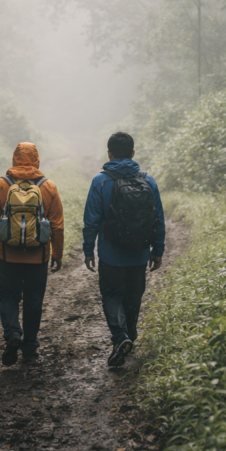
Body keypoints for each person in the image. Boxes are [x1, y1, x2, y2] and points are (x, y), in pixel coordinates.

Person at [82, 131, 166, 367]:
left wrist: (89, 250)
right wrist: (157, 250)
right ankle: (130, 336)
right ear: (132, 153)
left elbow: (91, 221)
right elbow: (158, 219)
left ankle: (120, 337)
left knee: (111, 295)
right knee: (133, 297)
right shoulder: (148, 180)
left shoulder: (100, 181)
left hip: (111, 255)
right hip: (139, 254)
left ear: (109, 153)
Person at [0, 143, 64, 365]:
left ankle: (12, 334)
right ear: (37, 160)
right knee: (34, 299)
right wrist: (57, 253)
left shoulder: (1, 185)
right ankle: (30, 347)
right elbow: (57, 225)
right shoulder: (48, 187)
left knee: (8, 296)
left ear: (14, 159)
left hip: (8, 255)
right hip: (38, 256)